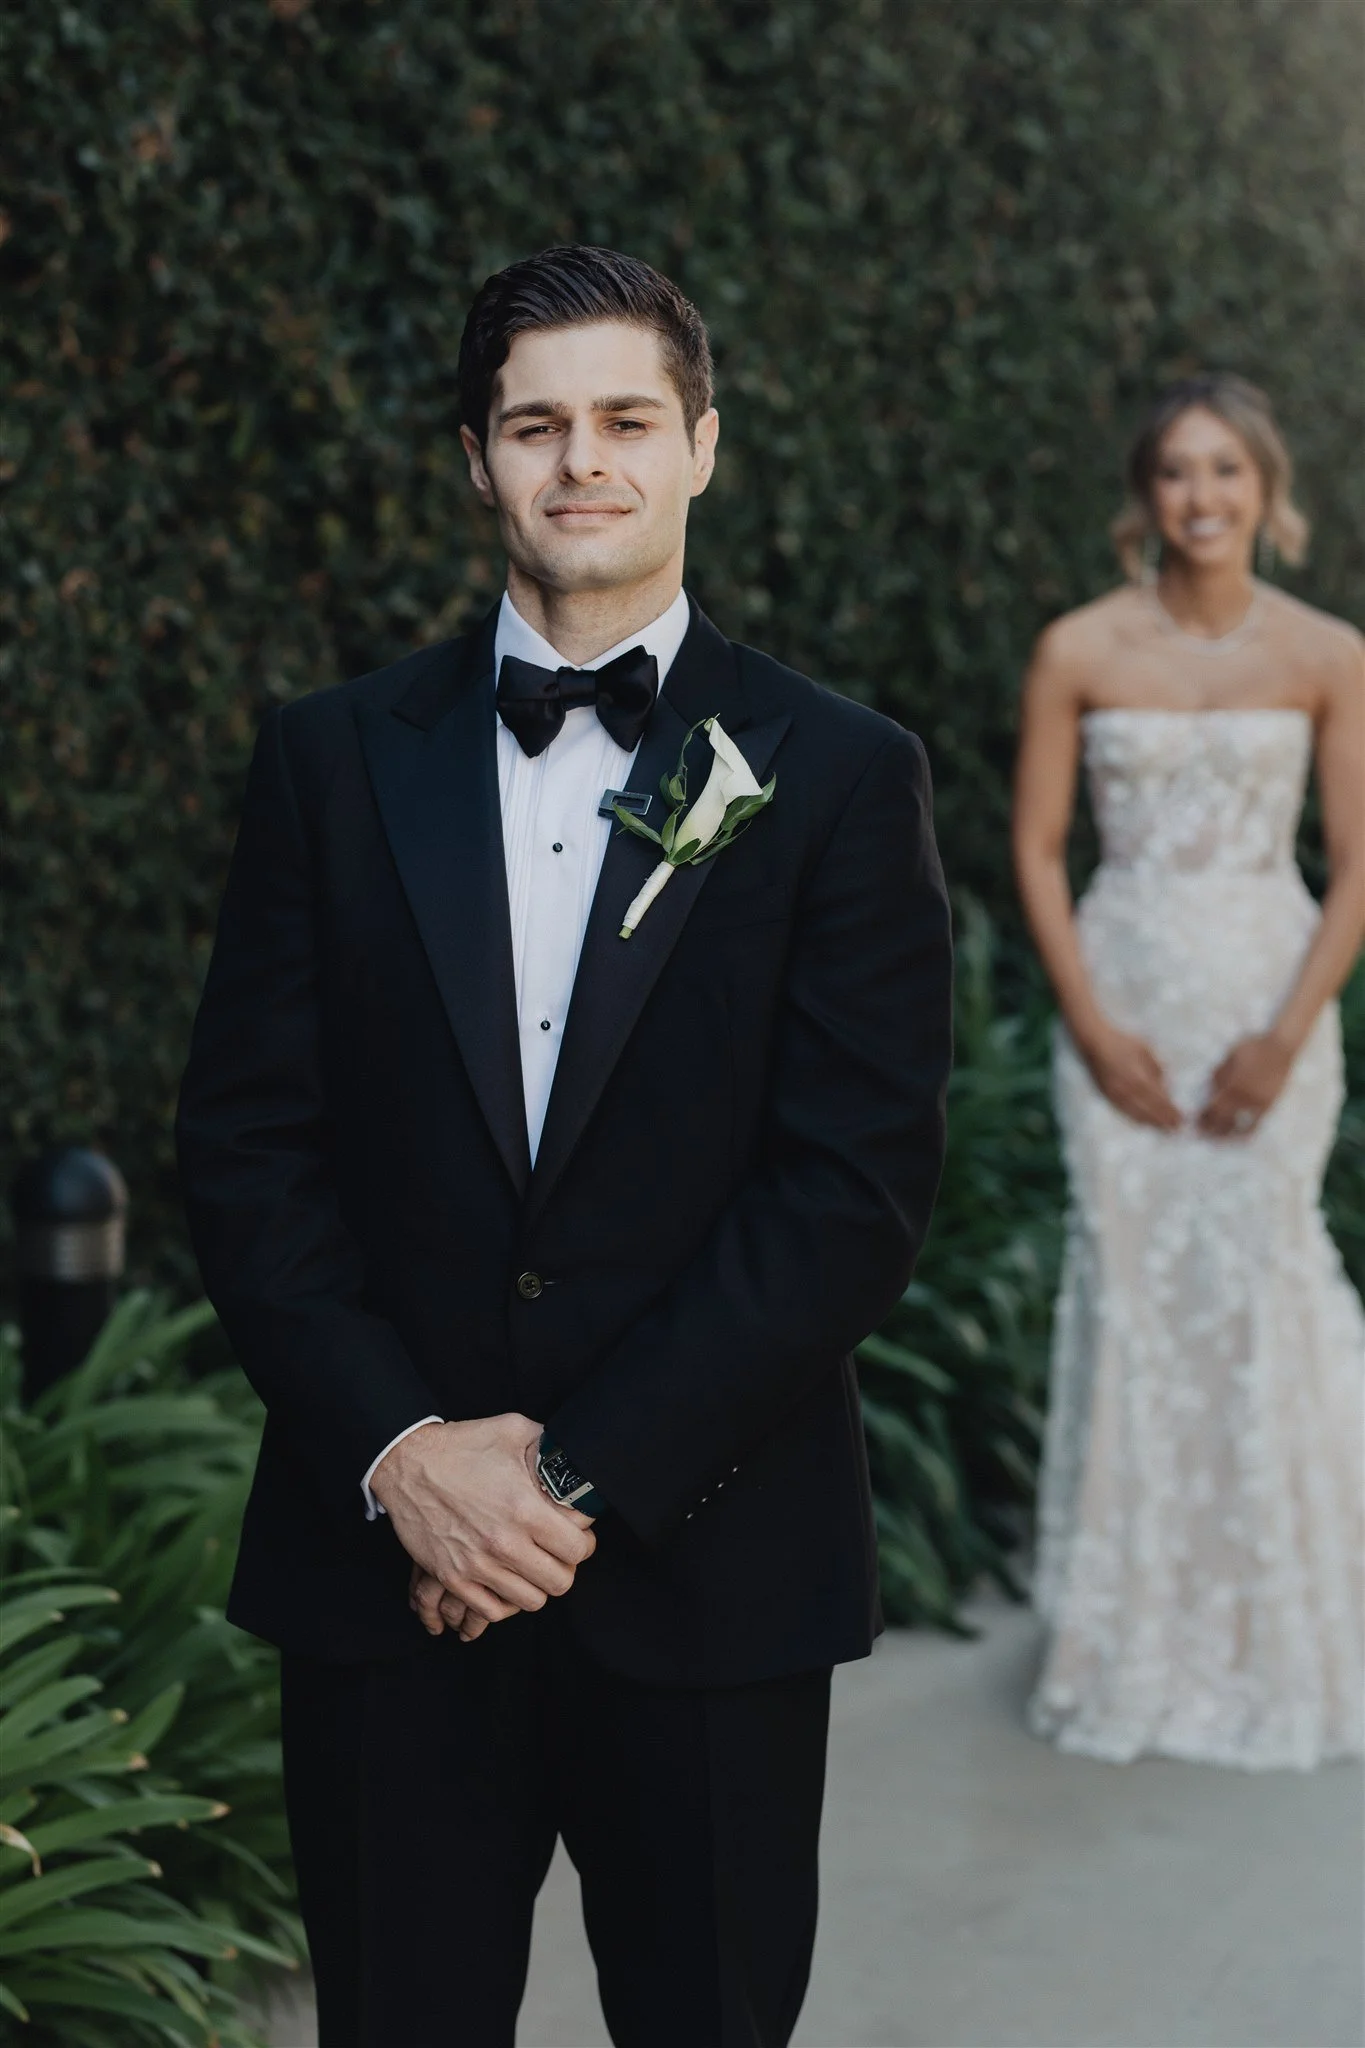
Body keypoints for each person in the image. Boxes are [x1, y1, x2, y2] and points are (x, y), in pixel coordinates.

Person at [176, 245, 952, 2045]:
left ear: (698, 447)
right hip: (390, 1575)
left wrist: (563, 1488)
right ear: (476, 458)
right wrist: (403, 1457)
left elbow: (847, 1197)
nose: (579, 461)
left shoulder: (836, 773)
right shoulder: (327, 757)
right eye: (536, 424)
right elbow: (247, 1152)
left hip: (711, 1570)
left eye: (622, 420)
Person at [1013, 373, 1365, 1770]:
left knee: (1261, 1280)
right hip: (1128, 994)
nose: (1201, 498)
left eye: (1228, 473)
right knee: (1136, 1291)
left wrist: (1287, 1033)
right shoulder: (1078, 648)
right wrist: (1092, 1025)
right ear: (1143, 495)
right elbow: (1040, 850)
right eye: (1176, 473)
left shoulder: (1330, 653)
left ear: (1268, 495)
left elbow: (1356, 869)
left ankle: (1286, 1620)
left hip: (1269, 994)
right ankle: (1134, 1636)